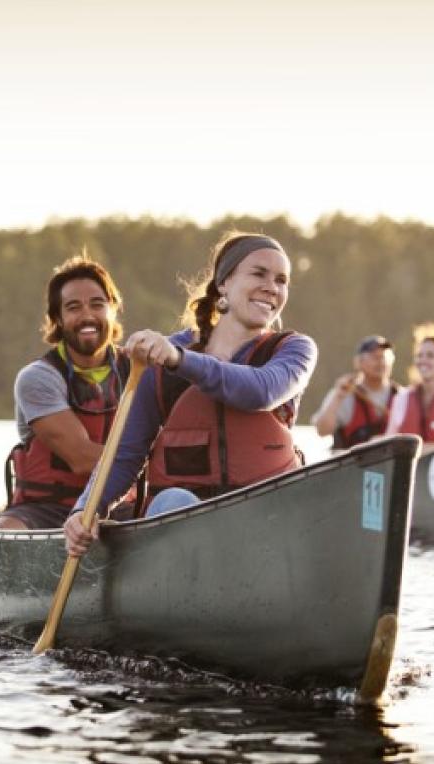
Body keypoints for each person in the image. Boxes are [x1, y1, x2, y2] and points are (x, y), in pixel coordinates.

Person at [64, 232, 317, 556]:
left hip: (263, 524)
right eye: (259, 274)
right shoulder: (161, 361)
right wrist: (84, 511)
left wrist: (179, 360)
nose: (273, 287)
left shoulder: (295, 350)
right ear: (223, 284)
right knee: (172, 501)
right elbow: (125, 455)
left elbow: (261, 391)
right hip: (187, 533)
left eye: (282, 280)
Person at [0, 256, 132, 530]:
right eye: (73, 307)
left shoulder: (139, 372)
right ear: (58, 318)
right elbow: (80, 458)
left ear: (113, 310)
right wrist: (143, 465)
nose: (87, 315)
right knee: (6, 527)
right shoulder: (37, 379)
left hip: (116, 506)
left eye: (97, 304)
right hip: (48, 510)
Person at [310, 334, 400, 451]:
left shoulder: (401, 396)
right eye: (375, 357)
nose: (381, 362)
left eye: (385, 357)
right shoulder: (345, 394)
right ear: (359, 362)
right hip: (355, 466)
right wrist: (337, 397)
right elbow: (322, 431)